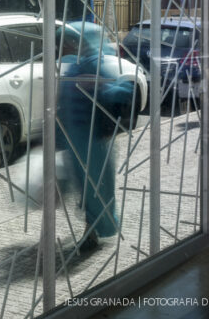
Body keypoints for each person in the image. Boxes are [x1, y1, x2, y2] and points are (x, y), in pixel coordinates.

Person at [56, 23, 134, 251]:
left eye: (71, 40)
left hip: (94, 143)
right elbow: (65, 105)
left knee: (96, 190)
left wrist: (98, 86)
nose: (66, 45)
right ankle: (91, 233)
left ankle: (94, 234)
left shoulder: (96, 65)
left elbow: (116, 94)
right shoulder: (75, 67)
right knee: (86, 189)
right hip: (77, 142)